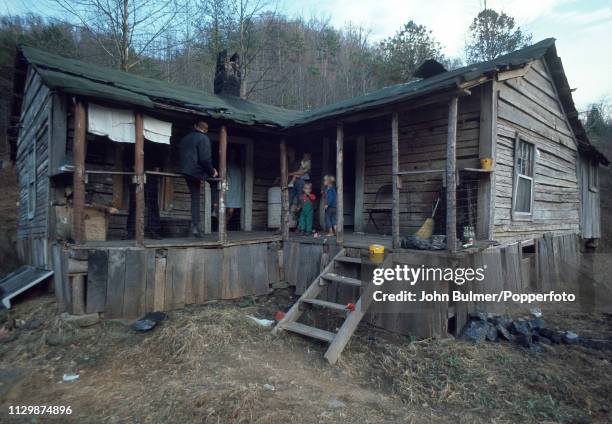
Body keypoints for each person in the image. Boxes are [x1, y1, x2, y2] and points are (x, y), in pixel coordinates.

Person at [179, 121, 218, 237]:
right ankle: (214, 209)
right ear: (206, 130)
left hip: (186, 171)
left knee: (195, 197)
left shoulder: (185, 139)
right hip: (197, 171)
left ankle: (195, 226)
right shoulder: (203, 138)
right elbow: (205, 159)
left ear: (195, 126)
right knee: (215, 183)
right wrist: (212, 171)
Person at [125, 142, 163, 240]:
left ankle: (154, 230)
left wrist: (155, 173)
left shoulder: (154, 142)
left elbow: (159, 162)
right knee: (134, 204)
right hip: (137, 177)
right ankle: (131, 231)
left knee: (152, 205)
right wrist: (135, 170)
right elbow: (127, 160)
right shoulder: (132, 143)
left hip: (151, 178)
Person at [225, 147, 243, 228]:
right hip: (227, 188)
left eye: (234, 153)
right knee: (223, 208)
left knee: (231, 210)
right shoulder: (225, 164)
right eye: (231, 153)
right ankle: (222, 226)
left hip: (236, 189)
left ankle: (224, 225)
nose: (232, 155)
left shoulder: (239, 166)